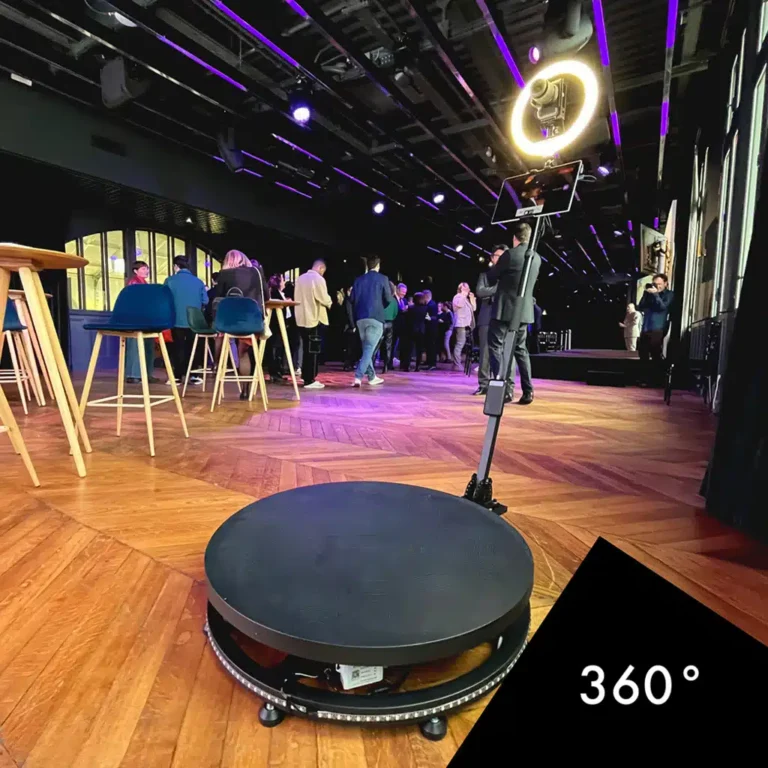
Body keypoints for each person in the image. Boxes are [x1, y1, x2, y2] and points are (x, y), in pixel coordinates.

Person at [486, 222, 541, 405]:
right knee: (521, 350)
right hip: (524, 311)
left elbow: (491, 277)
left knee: (496, 346)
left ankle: (503, 391)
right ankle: (528, 391)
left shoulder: (509, 254)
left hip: (504, 309)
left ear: (514, 237)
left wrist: (495, 265)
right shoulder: (536, 257)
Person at [215, 250, 268, 398]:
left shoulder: (224, 274)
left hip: (230, 321)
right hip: (252, 321)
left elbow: (219, 298)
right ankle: (245, 390)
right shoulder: (257, 272)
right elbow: (266, 296)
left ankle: (217, 365)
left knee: (220, 335)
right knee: (243, 352)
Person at [164, 255, 208, 385]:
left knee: (177, 347)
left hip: (175, 319)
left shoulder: (169, 281)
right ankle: (194, 375)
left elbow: (164, 299)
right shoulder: (198, 282)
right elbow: (205, 300)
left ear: (175, 266)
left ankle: (177, 376)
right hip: (194, 321)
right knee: (193, 347)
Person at [350, 255, 392, 387]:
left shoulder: (358, 280)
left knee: (367, 350)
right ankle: (358, 377)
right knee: (369, 349)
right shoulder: (383, 278)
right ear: (378, 265)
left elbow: (352, 299)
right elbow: (389, 299)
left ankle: (372, 377)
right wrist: (380, 306)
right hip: (376, 317)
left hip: (360, 318)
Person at [294, 259, 332, 389]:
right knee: (313, 350)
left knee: (306, 348)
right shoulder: (318, 279)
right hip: (314, 319)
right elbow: (323, 298)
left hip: (301, 319)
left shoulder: (300, 278)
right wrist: (330, 302)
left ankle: (306, 376)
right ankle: (310, 379)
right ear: (321, 268)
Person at [124, 260, 158, 384]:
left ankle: (146, 373)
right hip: (135, 318)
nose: (146, 271)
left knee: (148, 345)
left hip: (145, 317)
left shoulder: (144, 283)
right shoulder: (134, 283)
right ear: (135, 271)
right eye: (143, 269)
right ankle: (133, 374)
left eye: (147, 268)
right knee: (135, 345)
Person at [636, 273, 674, 385]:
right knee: (643, 353)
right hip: (646, 327)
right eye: (655, 284)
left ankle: (657, 379)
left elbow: (662, 307)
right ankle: (644, 379)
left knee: (655, 353)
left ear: (666, 284)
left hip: (658, 327)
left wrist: (656, 295)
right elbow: (640, 306)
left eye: (659, 284)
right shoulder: (649, 294)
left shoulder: (669, 294)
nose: (657, 286)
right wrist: (646, 294)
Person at [474, 248, 501, 395]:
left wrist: (489, 291)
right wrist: (496, 289)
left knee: (500, 352)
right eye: (497, 255)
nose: (500, 258)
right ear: (492, 258)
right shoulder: (484, 275)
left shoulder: (509, 276)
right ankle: (483, 384)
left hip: (502, 316)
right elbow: (480, 291)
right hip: (486, 317)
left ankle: (499, 384)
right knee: (484, 352)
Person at [451, 282, 476, 369]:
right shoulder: (458, 297)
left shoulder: (465, 298)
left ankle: (457, 364)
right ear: (461, 288)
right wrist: (463, 295)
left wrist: (472, 299)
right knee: (460, 344)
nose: (468, 290)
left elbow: (474, 308)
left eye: (468, 288)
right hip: (460, 324)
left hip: (467, 324)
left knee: (463, 343)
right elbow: (460, 305)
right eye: (466, 288)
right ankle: (457, 364)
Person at [377, 280, 398, 373]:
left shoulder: (380, 299)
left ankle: (371, 365)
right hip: (390, 324)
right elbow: (395, 313)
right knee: (388, 346)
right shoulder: (394, 300)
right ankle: (386, 366)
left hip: (380, 322)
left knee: (376, 345)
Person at [405, 292, 428, 372]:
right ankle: (417, 367)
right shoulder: (425, 308)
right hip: (421, 330)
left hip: (411, 329)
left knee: (409, 349)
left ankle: (407, 366)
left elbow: (407, 319)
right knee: (419, 349)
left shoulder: (411, 308)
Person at [423, 289, 439, 371]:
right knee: (429, 346)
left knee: (431, 347)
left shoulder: (431, 305)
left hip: (431, 329)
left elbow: (435, 317)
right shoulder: (431, 304)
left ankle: (432, 364)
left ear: (426, 296)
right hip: (430, 329)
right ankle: (429, 362)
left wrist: (430, 318)